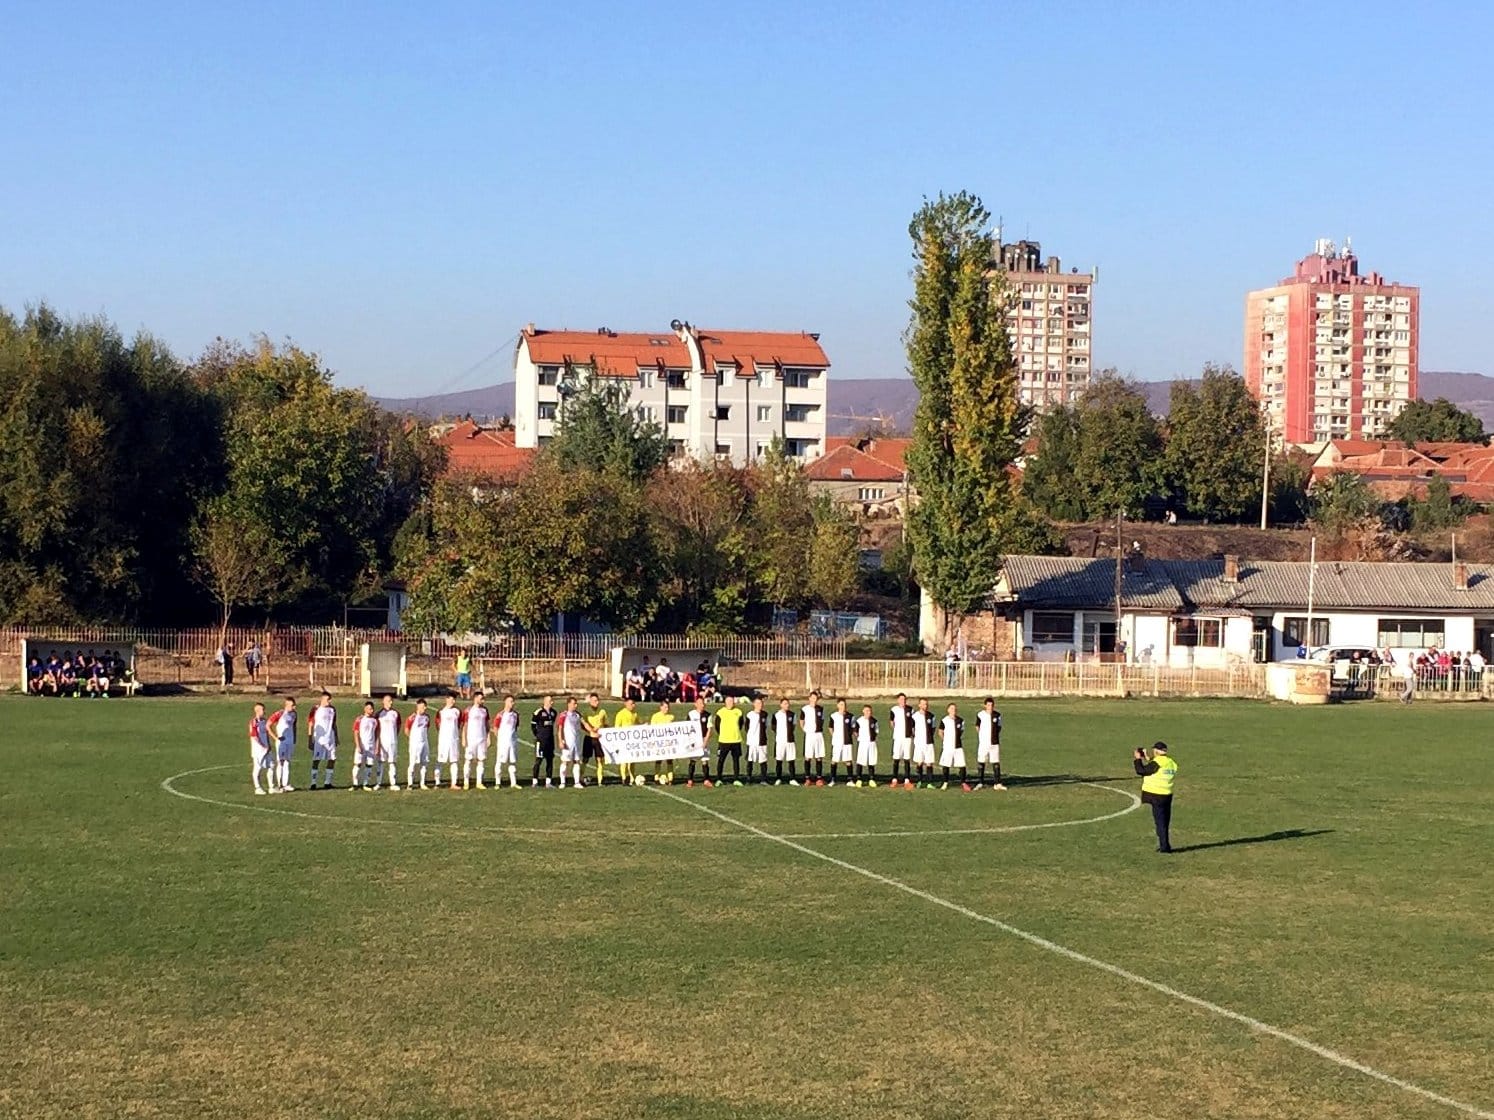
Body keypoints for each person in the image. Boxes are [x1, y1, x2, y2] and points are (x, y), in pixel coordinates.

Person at [1134, 741, 1178, 853]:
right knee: (1165, 821)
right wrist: (1147, 758)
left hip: (1156, 795)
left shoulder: (1157, 762)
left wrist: (1138, 759)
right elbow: (1156, 769)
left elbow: (1141, 771)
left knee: (1160, 822)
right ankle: (1165, 845)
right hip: (1167, 794)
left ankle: (1165, 847)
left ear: (1156, 751)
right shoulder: (1171, 762)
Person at [307, 691, 338, 789]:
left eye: (330, 699)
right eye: (327, 699)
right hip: (319, 739)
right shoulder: (315, 709)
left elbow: (334, 724)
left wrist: (336, 737)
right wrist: (310, 739)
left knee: (332, 759)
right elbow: (310, 724)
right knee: (316, 760)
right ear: (322, 699)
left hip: (330, 738)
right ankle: (313, 783)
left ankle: (327, 783)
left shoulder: (332, 709)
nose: (329, 701)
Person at [714, 695, 746, 786]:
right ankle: (719, 779)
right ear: (725, 703)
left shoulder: (738, 712)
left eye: (731, 702)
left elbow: (740, 724)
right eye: (728, 702)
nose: (730, 703)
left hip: (736, 740)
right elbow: (717, 726)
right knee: (721, 760)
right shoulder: (720, 712)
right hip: (724, 741)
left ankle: (736, 779)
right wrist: (723, 734)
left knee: (736, 760)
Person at [462, 691, 491, 789]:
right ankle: (466, 782)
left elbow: (487, 725)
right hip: (471, 739)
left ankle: (479, 782)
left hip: (482, 739)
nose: (483, 700)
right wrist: (464, 738)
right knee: (468, 760)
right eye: (481, 698)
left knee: (481, 760)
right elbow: (465, 725)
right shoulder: (468, 710)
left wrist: (488, 737)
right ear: (475, 698)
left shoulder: (485, 710)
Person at [975, 697, 1006, 790]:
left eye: (992, 705)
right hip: (984, 743)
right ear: (985, 705)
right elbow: (977, 726)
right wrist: (982, 736)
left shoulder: (997, 715)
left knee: (995, 762)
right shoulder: (980, 715)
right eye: (988, 705)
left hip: (994, 743)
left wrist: (994, 735)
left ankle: (997, 783)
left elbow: (999, 727)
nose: (990, 707)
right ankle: (980, 782)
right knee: (981, 761)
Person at [938, 702, 970, 791]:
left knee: (962, 765)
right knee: (946, 765)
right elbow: (940, 732)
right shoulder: (944, 720)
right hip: (948, 747)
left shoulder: (960, 720)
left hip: (958, 746)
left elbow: (961, 731)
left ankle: (963, 783)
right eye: (951, 708)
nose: (953, 710)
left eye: (955, 709)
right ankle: (945, 783)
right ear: (948, 710)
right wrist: (945, 740)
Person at [269, 696, 298, 792]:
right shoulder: (280, 713)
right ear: (286, 705)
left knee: (287, 761)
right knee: (280, 762)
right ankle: (279, 784)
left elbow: (294, 726)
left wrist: (294, 738)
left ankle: (286, 784)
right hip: (282, 741)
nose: (294, 707)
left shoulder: (294, 714)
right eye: (292, 705)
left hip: (290, 741)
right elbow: (268, 725)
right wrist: (275, 737)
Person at [374, 694, 402, 791]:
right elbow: (376, 728)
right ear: (383, 702)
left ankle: (393, 783)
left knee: (392, 762)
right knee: (381, 762)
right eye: (388, 701)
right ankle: (378, 783)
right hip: (382, 742)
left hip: (393, 742)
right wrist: (377, 742)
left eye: (391, 701)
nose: (391, 702)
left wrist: (394, 736)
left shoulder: (396, 713)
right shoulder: (379, 714)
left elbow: (398, 726)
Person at [530, 694, 558, 788]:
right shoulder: (538, 712)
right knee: (539, 760)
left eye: (552, 701)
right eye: (550, 701)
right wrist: (538, 735)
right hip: (541, 740)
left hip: (550, 740)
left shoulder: (554, 712)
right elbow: (533, 725)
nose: (552, 703)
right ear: (545, 702)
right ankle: (535, 781)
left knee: (550, 760)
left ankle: (548, 782)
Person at [435, 694, 462, 789]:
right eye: (451, 699)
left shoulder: (457, 711)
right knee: (440, 760)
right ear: (446, 699)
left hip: (454, 740)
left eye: (454, 700)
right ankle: (437, 782)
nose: (453, 701)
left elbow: (459, 724)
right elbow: (437, 724)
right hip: (443, 740)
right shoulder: (441, 712)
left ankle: (453, 783)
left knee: (454, 761)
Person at [686, 696, 714, 787]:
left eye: (703, 703)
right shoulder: (691, 714)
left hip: (703, 740)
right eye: (700, 703)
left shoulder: (708, 715)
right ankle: (690, 780)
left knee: (705, 760)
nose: (702, 705)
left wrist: (705, 741)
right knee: (693, 760)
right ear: (696, 704)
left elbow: (709, 729)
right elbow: (687, 727)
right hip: (694, 741)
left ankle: (706, 779)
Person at [888, 693, 914, 790]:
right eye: (901, 699)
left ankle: (907, 780)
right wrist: (897, 730)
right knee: (896, 758)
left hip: (907, 737)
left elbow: (913, 723)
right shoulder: (893, 709)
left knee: (907, 758)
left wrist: (911, 733)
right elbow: (891, 722)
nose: (903, 701)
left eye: (904, 699)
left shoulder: (910, 709)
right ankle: (894, 779)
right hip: (898, 737)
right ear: (898, 700)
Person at [613, 696, 641, 786]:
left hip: (632, 741)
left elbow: (638, 725)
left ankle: (632, 777)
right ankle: (624, 778)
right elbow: (617, 727)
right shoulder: (620, 714)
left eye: (633, 704)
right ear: (626, 704)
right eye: (631, 704)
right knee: (624, 759)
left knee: (632, 760)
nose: (633, 706)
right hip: (624, 741)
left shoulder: (635, 714)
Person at [827, 698, 855, 787]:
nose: (843, 706)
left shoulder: (851, 716)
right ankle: (832, 779)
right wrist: (834, 736)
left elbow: (853, 728)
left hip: (847, 742)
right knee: (834, 760)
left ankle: (850, 780)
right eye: (842, 704)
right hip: (837, 742)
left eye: (845, 705)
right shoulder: (833, 716)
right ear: (838, 705)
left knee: (848, 760)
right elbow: (830, 728)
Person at [559, 697, 585, 789]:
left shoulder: (578, 715)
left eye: (576, 703)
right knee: (565, 761)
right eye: (574, 703)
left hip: (576, 742)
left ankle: (577, 782)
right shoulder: (564, 715)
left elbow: (584, 724)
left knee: (576, 761)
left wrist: (592, 731)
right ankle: (562, 782)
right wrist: (560, 740)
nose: (576, 705)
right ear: (569, 704)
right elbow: (560, 728)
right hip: (567, 742)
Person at [583, 692, 609, 786]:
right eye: (594, 701)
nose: (596, 702)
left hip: (599, 739)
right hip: (589, 738)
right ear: (590, 701)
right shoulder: (586, 712)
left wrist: (603, 730)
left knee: (599, 759)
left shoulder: (602, 712)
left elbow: (606, 724)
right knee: (585, 759)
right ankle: (580, 777)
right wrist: (590, 731)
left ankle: (600, 780)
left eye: (597, 700)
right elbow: (582, 725)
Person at [351, 701, 378, 790]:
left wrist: (376, 746)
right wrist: (358, 745)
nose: (371, 710)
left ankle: (366, 784)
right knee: (357, 764)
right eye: (370, 709)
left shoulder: (375, 720)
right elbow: (356, 732)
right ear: (365, 709)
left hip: (371, 746)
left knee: (369, 765)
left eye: (372, 709)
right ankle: (355, 784)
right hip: (362, 745)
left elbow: (376, 734)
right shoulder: (360, 719)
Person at [247, 701, 273, 795]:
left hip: (266, 748)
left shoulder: (264, 721)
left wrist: (268, 745)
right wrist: (262, 746)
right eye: (262, 710)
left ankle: (271, 787)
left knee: (271, 765)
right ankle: (257, 788)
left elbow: (266, 734)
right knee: (258, 768)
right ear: (257, 710)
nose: (264, 711)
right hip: (258, 750)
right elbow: (254, 736)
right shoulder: (253, 722)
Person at [772, 697, 799, 786]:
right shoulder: (776, 715)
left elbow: (793, 726)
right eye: (784, 704)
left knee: (791, 760)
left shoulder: (792, 715)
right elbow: (773, 727)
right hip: (780, 741)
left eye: (787, 704)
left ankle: (792, 779)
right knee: (779, 760)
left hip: (790, 741)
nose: (786, 705)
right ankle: (778, 778)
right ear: (781, 705)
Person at [405, 698, 431, 789]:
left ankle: (422, 783)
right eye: (420, 707)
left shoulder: (427, 717)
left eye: (423, 707)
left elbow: (427, 728)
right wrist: (412, 739)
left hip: (424, 742)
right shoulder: (412, 717)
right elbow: (406, 730)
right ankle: (410, 783)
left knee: (424, 763)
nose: (422, 709)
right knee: (412, 763)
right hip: (415, 744)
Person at [649, 700, 676, 785]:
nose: (666, 709)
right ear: (661, 707)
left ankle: (670, 778)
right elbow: (652, 729)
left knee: (669, 760)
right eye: (665, 707)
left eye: (668, 707)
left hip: (668, 742)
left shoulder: (671, 717)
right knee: (658, 759)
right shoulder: (655, 716)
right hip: (659, 742)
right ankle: (656, 777)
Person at [744, 697, 770, 783]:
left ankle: (764, 779)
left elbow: (766, 726)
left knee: (763, 760)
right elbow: (746, 727)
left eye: (761, 703)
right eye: (758, 703)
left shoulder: (765, 714)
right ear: (754, 704)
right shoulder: (749, 715)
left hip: (762, 741)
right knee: (750, 760)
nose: (760, 705)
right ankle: (749, 778)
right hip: (752, 741)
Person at [913, 698, 937, 788]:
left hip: (929, 743)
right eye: (922, 704)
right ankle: (919, 781)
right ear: (919, 705)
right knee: (919, 762)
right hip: (919, 743)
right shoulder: (915, 716)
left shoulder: (931, 716)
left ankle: (929, 783)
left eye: (926, 704)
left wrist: (929, 737)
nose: (924, 706)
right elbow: (912, 728)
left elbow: (933, 728)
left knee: (929, 762)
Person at [854, 704, 879, 788]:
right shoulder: (859, 721)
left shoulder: (874, 721)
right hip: (862, 743)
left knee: (871, 761)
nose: (868, 712)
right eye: (866, 711)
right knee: (860, 760)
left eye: (869, 711)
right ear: (863, 711)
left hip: (871, 743)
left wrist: (872, 738)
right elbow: (855, 732)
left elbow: (876, 731)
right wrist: (861, 738)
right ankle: (859, 779)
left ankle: (871, 779)